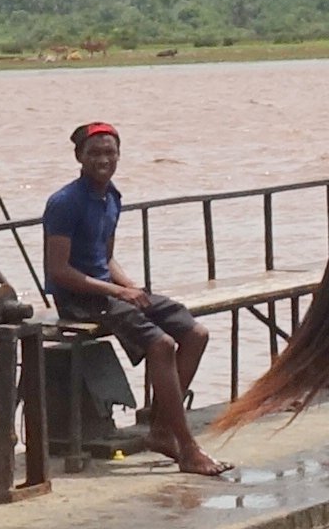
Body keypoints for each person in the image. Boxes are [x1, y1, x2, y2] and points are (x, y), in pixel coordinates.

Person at [38, 122, 225, 477]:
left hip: (109, 291)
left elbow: (105, 258)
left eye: (110, 152)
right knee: (162, 345)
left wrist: (132, 287)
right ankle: (187, 448)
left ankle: (160, 429)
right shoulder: (65, 202)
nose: (103, 159)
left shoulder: (112, 197)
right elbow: (59, 271)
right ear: (79, 157)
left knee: (195, 333)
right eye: (94, 153)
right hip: (79, 298)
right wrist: (117, 292)